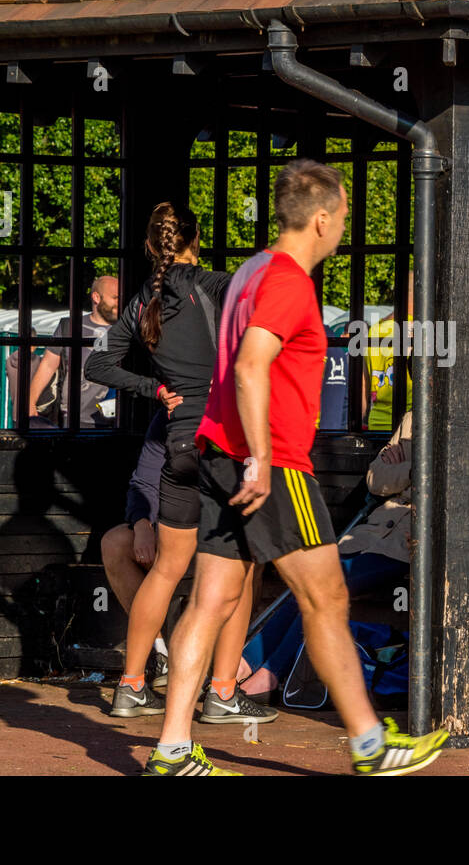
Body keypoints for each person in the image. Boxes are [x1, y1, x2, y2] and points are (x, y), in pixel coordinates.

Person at [144, 159, 447, 776]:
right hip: (273, 465)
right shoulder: (285, 281)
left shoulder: (251, 272)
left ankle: (172, 748)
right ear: (320, 219)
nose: (342, 231)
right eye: (341, 219)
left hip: (218, 456)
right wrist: (260, 457)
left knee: (211, 599)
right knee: (327, 597)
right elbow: (252, 366)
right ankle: (370, 745)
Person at [84, 203, 273, 725]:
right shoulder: (216, 284)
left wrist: (155, 388)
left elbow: (97, 364)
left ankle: (130, 686)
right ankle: (222, 691)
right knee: (244, 567)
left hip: (177, 444)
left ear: (150, 246)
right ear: (197, 238)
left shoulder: (144, 299)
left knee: (167, 569)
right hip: (223, 441)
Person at [241, 410, 415, 697]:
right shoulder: (411, 418)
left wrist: (406, 470)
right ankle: (244, 665)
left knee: (327, 586)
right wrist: (413, 472)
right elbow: (375, 478)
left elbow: (440, 478)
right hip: (369, 536)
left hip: (404, 545)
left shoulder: (465, 418)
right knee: (307, 580)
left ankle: (272, 673)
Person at [99, 409, 173, 692]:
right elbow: (144, 481)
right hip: (173, 527)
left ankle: (224, 679)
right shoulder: (168, 416)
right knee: (115, 542)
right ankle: (159, 653)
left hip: (218, 534)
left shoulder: (235, 405)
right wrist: (142, 523)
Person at [28, 276, 118, 428]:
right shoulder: (69, 327)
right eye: (115, 298)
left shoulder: (126, 330)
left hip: (115, 418)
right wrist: (29, 402)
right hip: (74, 416)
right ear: (96, 297)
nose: (119, 303)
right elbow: (48, 365)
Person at [363, 271, 413, 431]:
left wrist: (358, 426)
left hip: (376, 422)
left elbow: (364, 385)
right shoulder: (419, 329)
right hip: (409, 426)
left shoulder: (374, 330)